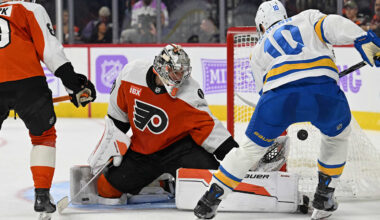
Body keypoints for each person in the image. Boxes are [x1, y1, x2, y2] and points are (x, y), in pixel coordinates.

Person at [194, 0, 380, 219]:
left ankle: (211, 198)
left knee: (250, 150)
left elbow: (264, 92)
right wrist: (365, 41)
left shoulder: (257, 50)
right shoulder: (307, 17)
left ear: (261, 26)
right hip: (322, 92)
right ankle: (324, 194)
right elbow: (334, 24)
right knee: (337, 136)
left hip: (277, 100)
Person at [84, 44, 239, 200]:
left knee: (214, 188)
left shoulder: (190, 92)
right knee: (106, 189)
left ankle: (171, 182)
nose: (180, 78)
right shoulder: (130, 74)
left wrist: (239, 158)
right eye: (176, 72)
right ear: (162, 67)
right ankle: (160, 183)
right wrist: (110, 146)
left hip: (181, 149)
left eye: (182, 72)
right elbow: (118, 118)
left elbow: (210, 130)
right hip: (143, 152)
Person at [0, 0, 96, 216]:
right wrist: (75, 85)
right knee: (43, 137)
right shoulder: (29, 9)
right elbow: (50, 50)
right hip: (28, 83)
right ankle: (42, 196)